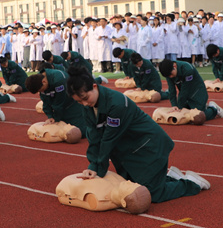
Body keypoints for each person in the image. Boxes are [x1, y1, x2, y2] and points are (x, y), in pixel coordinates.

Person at [65, 67, 210, 202]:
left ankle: (191, 184)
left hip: (149, 144)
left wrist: (99, 169)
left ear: (95, 86)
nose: (84, 104)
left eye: (85, 98)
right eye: (79, 101)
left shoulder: (116, 103)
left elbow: (108, 139)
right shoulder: (88, 107)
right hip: (129, 147)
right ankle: (169, 178)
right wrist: (92, 166)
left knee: (153, 194)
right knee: (133, 186)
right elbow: (94, 137)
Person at [25, 67, 86, 136]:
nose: (42, 92)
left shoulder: (59, 80)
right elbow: (45, 101)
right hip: (62, 105)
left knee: (79, 131)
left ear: (44, 82)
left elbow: (59, 102)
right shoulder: (38, 80)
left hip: (73, 102)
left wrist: (56, 118)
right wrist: (50, 116)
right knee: (62, 131)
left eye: (41, 90)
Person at [158, 58, 223, 121]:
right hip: (186, 96)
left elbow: (185, 89)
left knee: (197, 117)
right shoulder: (168, 72)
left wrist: (180, 107)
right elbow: (172, 90)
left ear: (174, 66)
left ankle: (214, 109)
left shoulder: (187, 69)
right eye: (169, 76)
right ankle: (204, 106)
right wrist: (174, 105)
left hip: (197, 92)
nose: (171, 77)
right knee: (184, 115)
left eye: (171, 74)